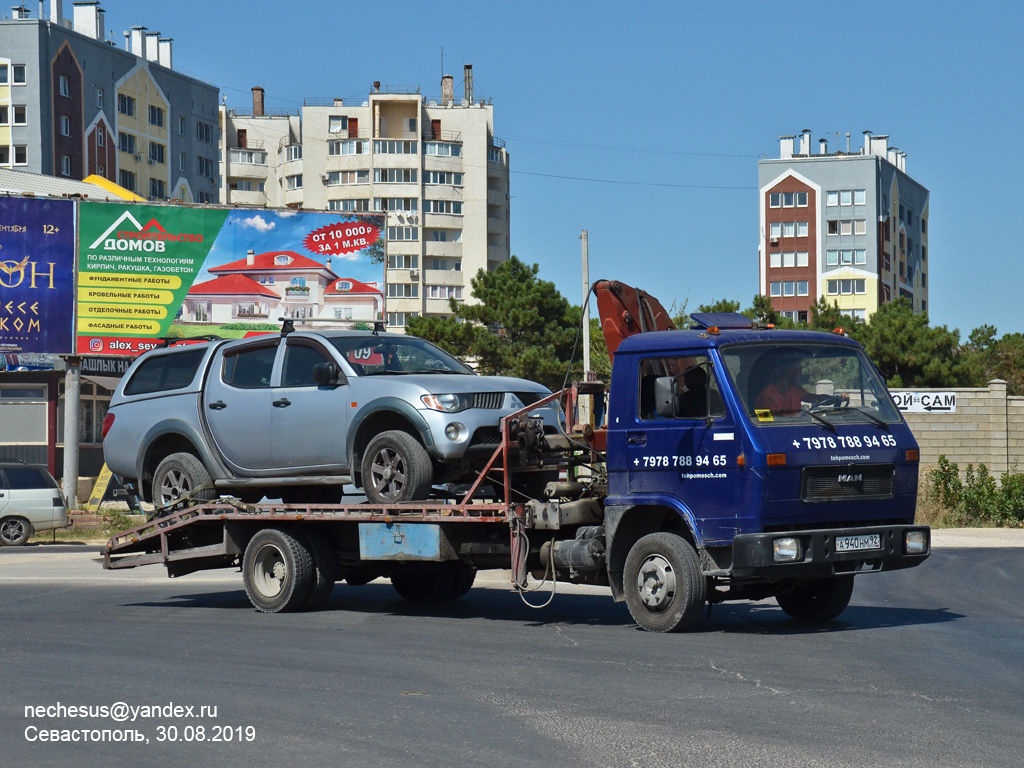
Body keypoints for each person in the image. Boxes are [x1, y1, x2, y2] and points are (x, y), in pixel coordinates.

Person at [755, 355, 848, 413]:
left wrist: (836, 398)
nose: (801, 374)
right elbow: (766, 424)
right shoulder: (766, 397)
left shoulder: (795, 391)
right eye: (799, 370)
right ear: (789, 371)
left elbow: (816, 399)